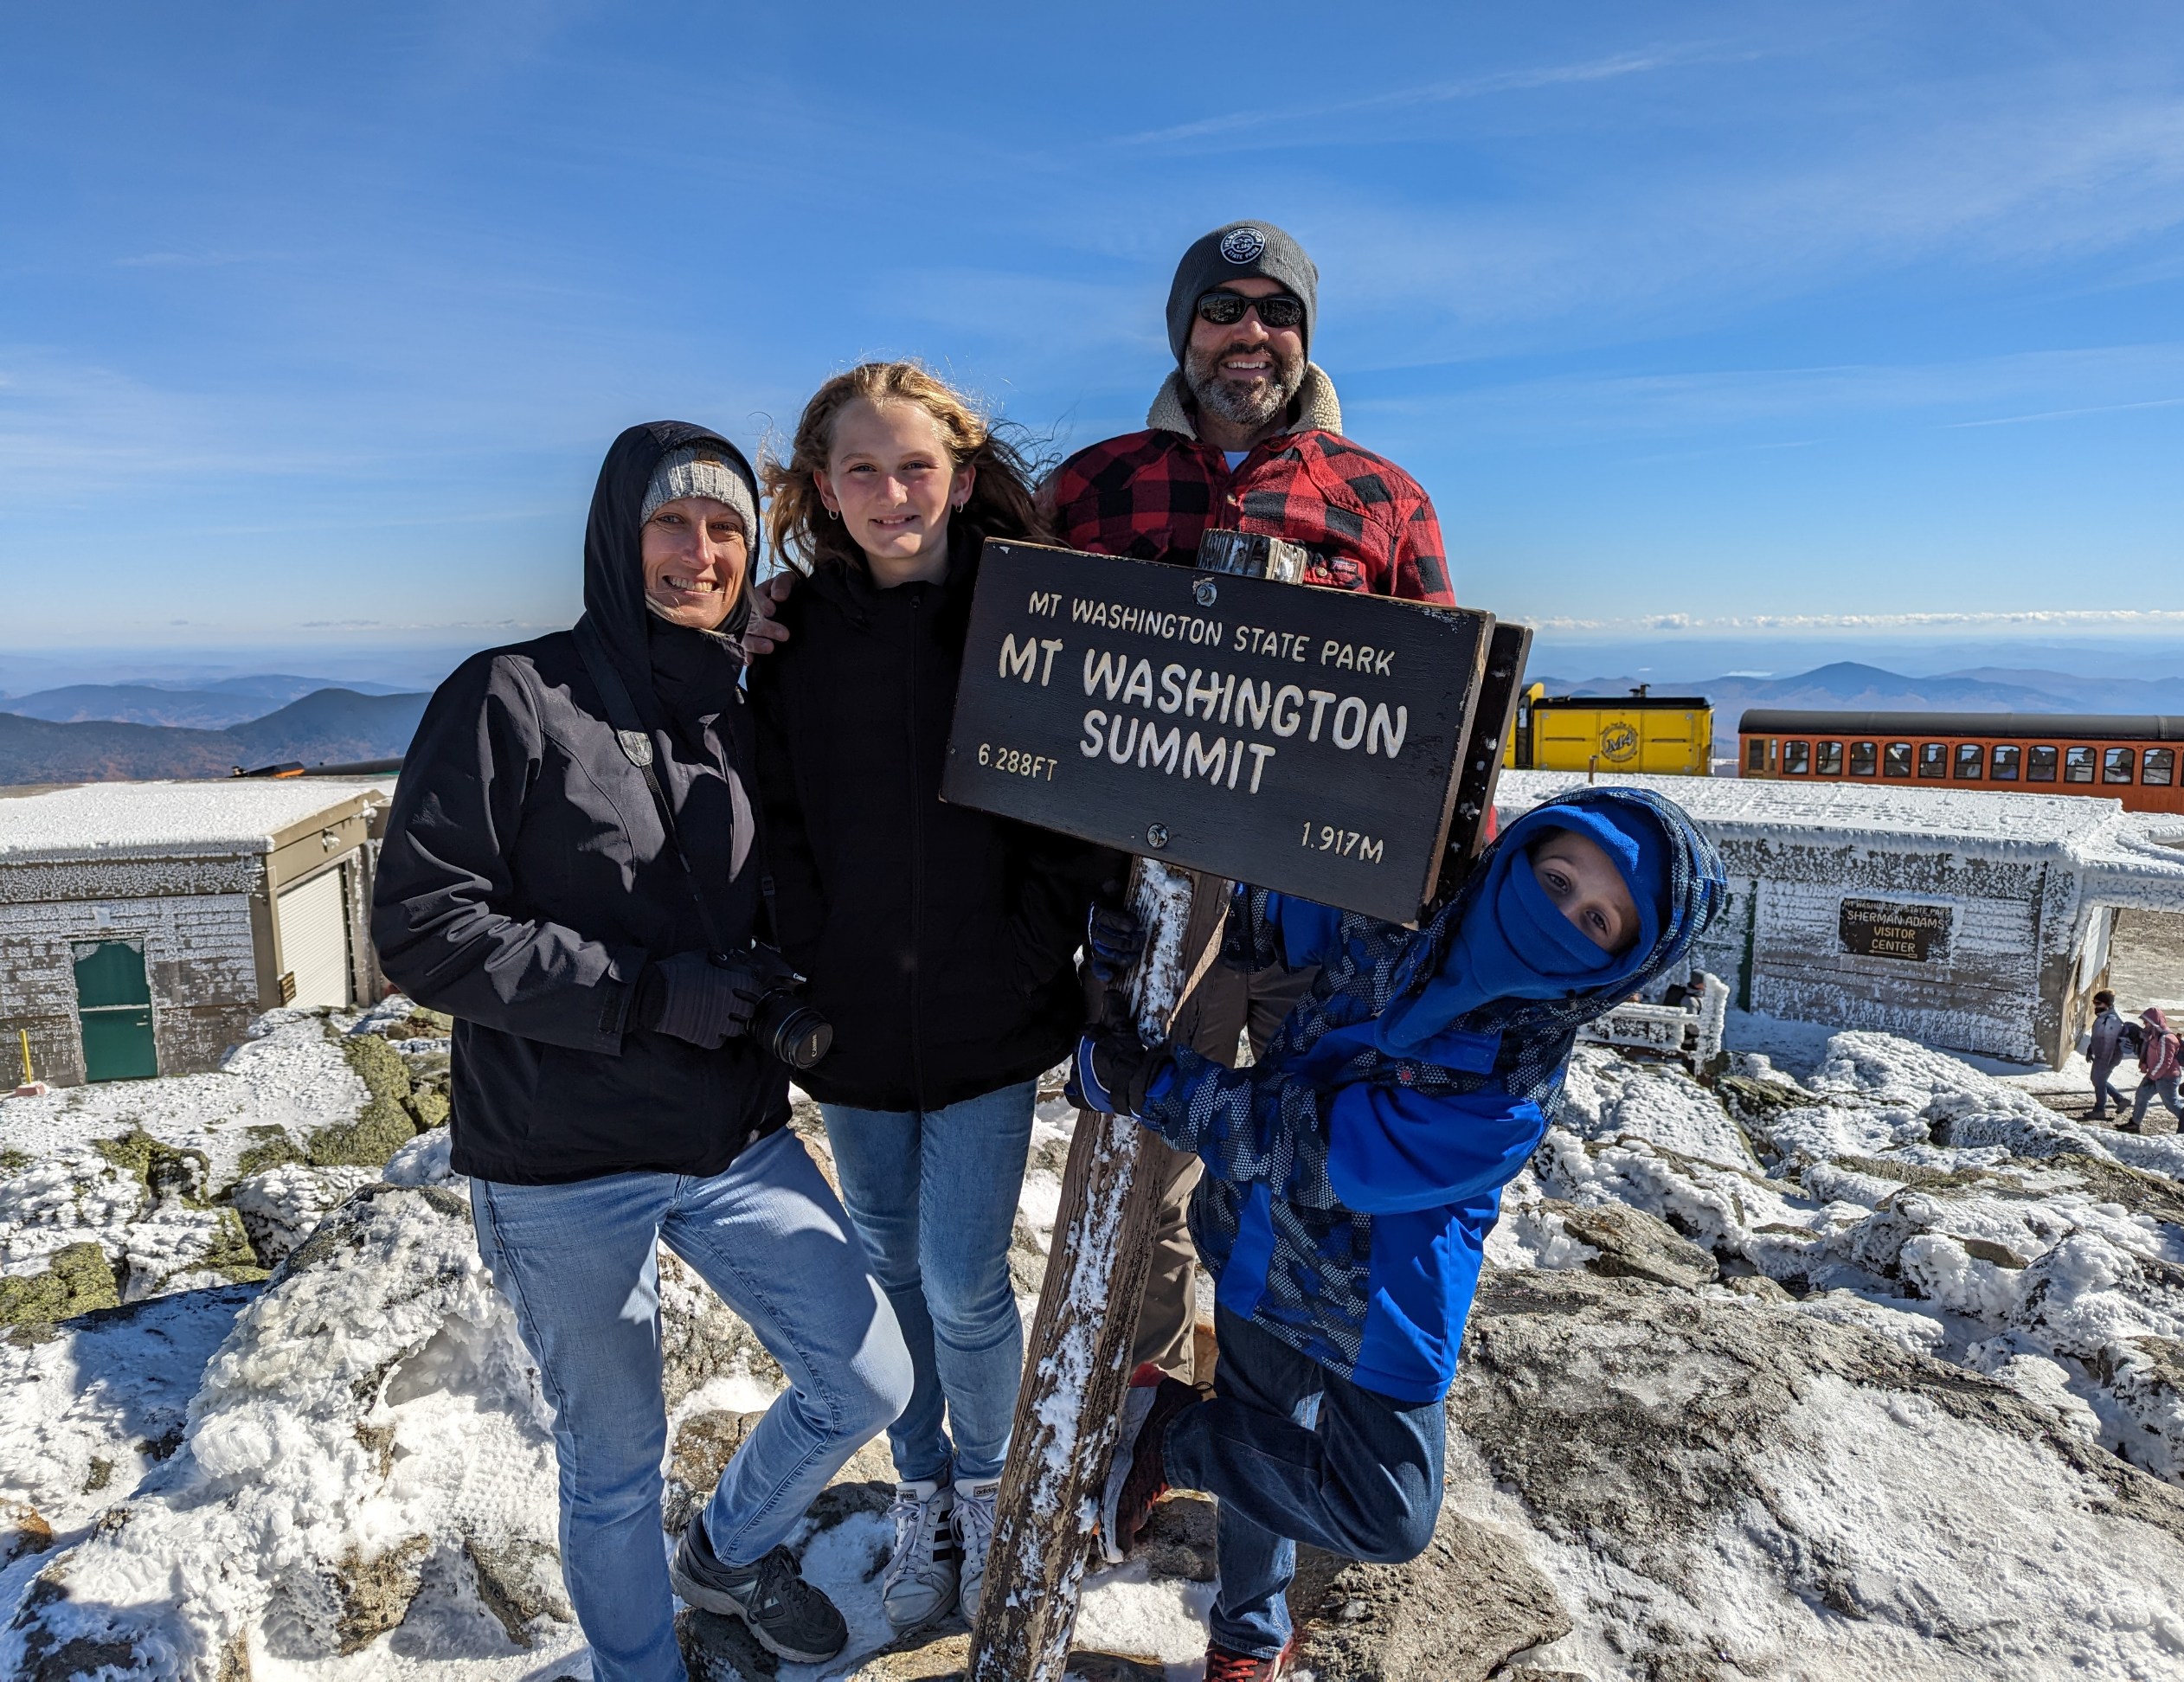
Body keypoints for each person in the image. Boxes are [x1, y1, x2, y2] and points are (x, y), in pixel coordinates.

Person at [372, 423, 912, 1679]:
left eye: (727, 530)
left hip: (727, 1136)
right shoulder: (512, 695)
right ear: (620, 541)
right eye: (672, 524)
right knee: (614, 1469)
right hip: (558, 1162)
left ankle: (722, 1561)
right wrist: (644, 994)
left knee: (867, 1379)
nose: (700, 552)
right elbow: (424, 926)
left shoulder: (746, 706)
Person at [1064, 786, 1724, 1680]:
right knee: (1265, 1445)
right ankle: (1246, 1640)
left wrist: (1151, 1087)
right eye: (1556, 875)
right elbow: (1266, 916)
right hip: (1263, 1245)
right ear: (1519, 851)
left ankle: (1173, 1432)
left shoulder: (1509, 1091)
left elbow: (1314, 1148)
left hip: (1381, 1309)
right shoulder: (1392, 911)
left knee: (1386, 1515)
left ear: (1618, 965)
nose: (1556, 913)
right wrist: (1143, 935)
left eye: (1596, 918)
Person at [1043, 218, 1458, 1384]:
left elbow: (1431, 714)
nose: (1249, 334)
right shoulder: (1093, 485)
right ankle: (1146, 1400)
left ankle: (1283, 1407)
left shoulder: (1380, 495)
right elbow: (997, 655)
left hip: (1321, 903)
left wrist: (1433, 899)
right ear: (1183, 329)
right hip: (1152, 895)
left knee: (1304, 1160)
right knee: (1145, 1162)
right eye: (1222, 308)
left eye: (1276, 311)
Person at [752, 363, 1118, 1631]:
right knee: (884, 1271)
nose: (891, 492)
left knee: (964, 1279)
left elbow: (1081, 825)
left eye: (914, 466)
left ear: (960, 475)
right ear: (821, 488)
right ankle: (924, 1497)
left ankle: (993, 1479)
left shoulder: (1027, 617)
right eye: (861, 469)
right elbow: (778, 817)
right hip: (851, 1025)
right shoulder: (793, 640)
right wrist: (813, 958)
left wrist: (1018, 962)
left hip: (985, 1021)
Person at [2126, 1006, 2184, 1133]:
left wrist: (2152, 1077)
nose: (2144, 1025)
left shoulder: (2166, 1038)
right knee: (2141, 1095)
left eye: (2146, 1022)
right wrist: (2146, 1064)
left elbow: (2165, 1062)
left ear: (2154, 1022)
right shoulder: (2153, 1035)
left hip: (2167, 1077)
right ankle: (2134, 1123)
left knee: (2172, 1105)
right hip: (2155, 1074)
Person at [2082, 990, 2128, 1120]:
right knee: (2097, 1080)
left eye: (2098, 1003)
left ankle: (2100, 1110)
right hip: (2101, 1055)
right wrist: (2091, 1049)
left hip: (2108, 1057)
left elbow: (2109, 1044)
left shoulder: (2111, 1020)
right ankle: (2120, 1100)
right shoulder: (2104, 1017)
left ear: (2107, 1004)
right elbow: (2098, 1037)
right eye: (2094, 1003)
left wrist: (2104, 1061)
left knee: (2099, 1081)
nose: (2095, 1006)